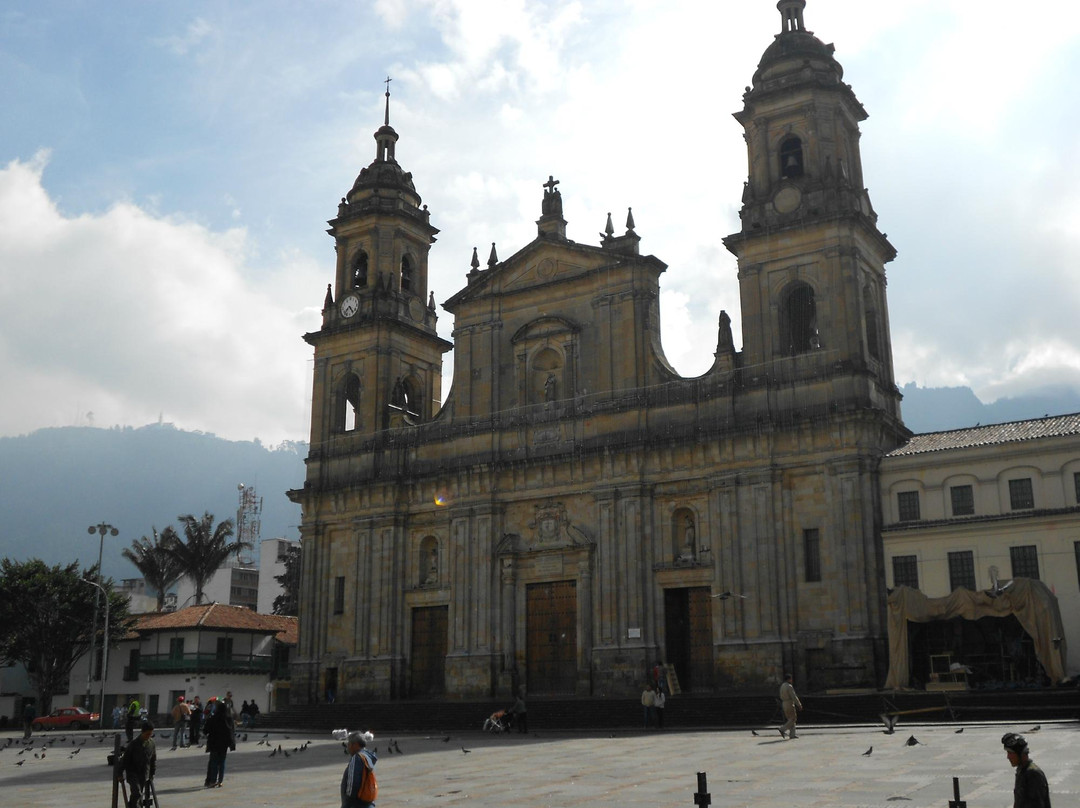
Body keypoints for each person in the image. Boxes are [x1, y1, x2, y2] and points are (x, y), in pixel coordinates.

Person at [1002, 732, 1052, 808]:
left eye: (1010, 753)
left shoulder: (1032, 774)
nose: (1008, 757)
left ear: (1021, 754)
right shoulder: (1022, 771)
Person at [120, 720, 156, 808]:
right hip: (133, 773)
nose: (149, 736)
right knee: (137, 792)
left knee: (138, 795)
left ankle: (132, 806)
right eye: (147, 734)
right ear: (142, 732)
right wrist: (119, 773)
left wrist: (152, 773)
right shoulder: (134, 744)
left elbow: (153, 760)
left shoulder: (151, 744)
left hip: (144, 773)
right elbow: (125, 760)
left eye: (150, 734)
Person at [341, 730, 379, 808]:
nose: (348, 747)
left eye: (349, 744)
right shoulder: (368, 757)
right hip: (368, 803)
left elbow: (353, 784)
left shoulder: (357, 758)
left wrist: (347, 804)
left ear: (355, 745)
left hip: (357, 804)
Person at [203, 700, 236, 788]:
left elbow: (205, 730)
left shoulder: (213, 718)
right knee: (222, 761)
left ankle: (213, 780)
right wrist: (232, 743)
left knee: (213, 761)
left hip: (214, 742)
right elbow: (232, 731)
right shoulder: (229, 719)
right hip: (224, 744)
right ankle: (220, 781)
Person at [779, 673, 802, 739]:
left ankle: (792, 734)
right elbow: (794, 696)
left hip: (784, 703)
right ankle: (782, 729)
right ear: (789, 679)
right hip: (789, 703)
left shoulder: (782, 686)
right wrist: (799, 704)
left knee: (790, 719)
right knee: (793, 718)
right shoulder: (789, 686)